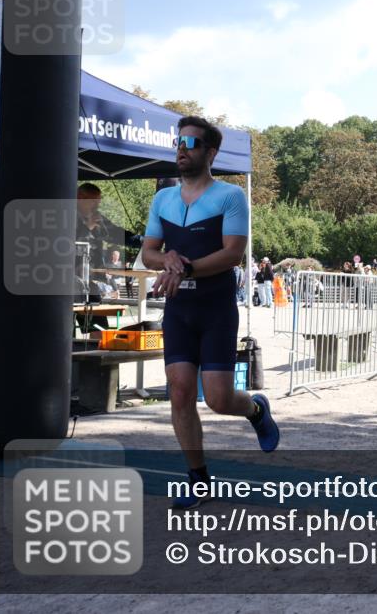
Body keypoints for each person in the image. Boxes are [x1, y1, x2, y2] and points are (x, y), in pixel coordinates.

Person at [141, 116, 279, 509]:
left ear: (211, 152)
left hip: (215, 308)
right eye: (178, 142)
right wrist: (165, 257)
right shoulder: (162, 199)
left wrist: (183, 266)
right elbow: (149, 252)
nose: (181, 148)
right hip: (179, 310)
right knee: (181, 393)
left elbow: (233, 253)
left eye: (191, 143)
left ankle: (255, 409)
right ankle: (199, 480)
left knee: (218, 399)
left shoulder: (230, 196)